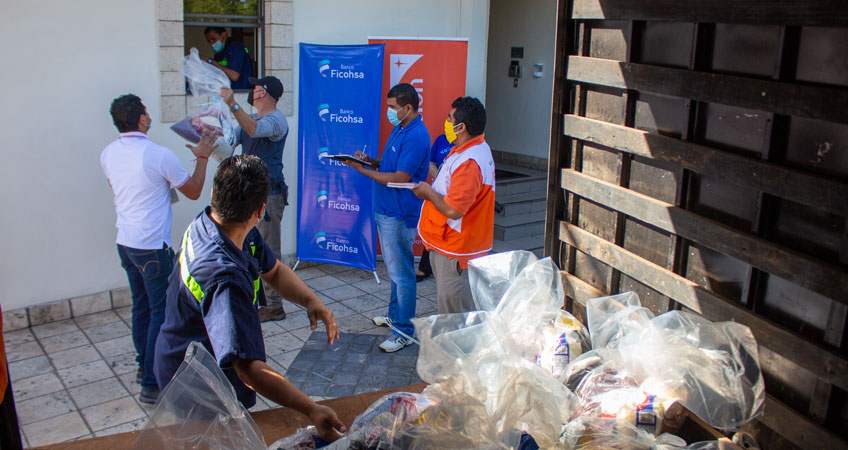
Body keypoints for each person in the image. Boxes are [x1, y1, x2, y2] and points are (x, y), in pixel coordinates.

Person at [154, 155, 346, 442]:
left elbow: (273, 270)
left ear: (214, 194)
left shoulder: (213, 222)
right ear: (260, 210)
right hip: (195, 383)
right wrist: (311, 409)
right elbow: (249, 371)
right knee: (212, 440)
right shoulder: (224, 277)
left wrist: (309, 300)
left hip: (187, 356)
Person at [101, 94, 215, 404]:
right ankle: (152, 383)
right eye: (147, 113)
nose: (149, 116)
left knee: (141, 308)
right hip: (152, 247)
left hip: (126, 243)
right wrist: (203, 157)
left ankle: (143, 368)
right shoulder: (156, 154)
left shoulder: (109, 153)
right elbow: (192, 192)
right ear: (141, 119)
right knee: (160, 313)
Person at [344, 83, 430, 352]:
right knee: (395, 270)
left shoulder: (417, 136)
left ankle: (404, 330)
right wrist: (369, 160)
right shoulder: (401, 128)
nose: (389, 111)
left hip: (399, 213)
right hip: (387, 210)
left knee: (402, 273)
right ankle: (395, 317)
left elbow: (400, 178)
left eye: (393, 107)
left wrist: (361, 170)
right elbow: (390, 165)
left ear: (407, 107)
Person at [413, 97, 495, 314]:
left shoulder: (469, 161)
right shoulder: (469, 149)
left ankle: (453, 349)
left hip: (456, 250)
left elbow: (454, 210)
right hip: (450, 245)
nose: (446, 122)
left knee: (453, 316)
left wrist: (428, 193)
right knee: (453, 310)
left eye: (449, 118)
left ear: (461, 127)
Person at [221, 76, 289, 322]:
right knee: (248, 250)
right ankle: (259, 300)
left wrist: (233, 105)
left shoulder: (276, 120)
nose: (252, 91)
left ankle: (275, 305)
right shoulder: (252, 119)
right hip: (250, 193)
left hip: (269, 196)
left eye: (256, 88)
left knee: (269, 251)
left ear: (263, 93)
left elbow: (255, 130)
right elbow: (228, 144)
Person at [416, 133, 453, 282]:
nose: (448, 122)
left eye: (451, 119)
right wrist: (441, 178)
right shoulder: (441, 139)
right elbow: (431, 163)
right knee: (434, 228)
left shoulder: (469, 148)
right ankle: (425, 268)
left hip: (455, 196)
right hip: (438, 192)